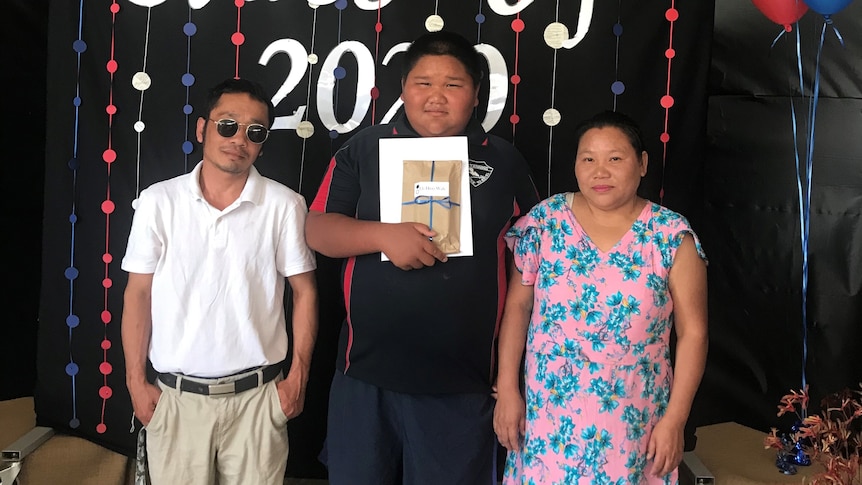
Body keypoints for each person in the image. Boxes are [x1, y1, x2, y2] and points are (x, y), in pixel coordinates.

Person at [305, 30, 539, 485]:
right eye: (422, 83)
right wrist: (383, 236)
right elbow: (317, 229)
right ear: (403, 90)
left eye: (453, 84)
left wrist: (512, 377)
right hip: (365, 375)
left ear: (476, 95)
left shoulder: (505, 162)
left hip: (464, 383)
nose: (437, 96)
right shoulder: (365, 148)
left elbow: (530, 259)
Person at [120, 78, 318, 485]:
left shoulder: (285, 205)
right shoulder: (159, 201)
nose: (238, 139)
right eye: (227, 125)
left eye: (254, 132)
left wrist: (298, 377)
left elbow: (305, 292)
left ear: (263, 142)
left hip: (258, 400)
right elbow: (137, 293)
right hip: (175, 401)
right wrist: (135, 382)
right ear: (202, 129)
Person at [493, 110, 708, 484]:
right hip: (549, 422)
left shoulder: (671, 235)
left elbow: (694, 334)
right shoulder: (546, 222)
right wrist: (509, 388)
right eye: (588, 159)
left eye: (615, 158)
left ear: (642, 164)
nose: (600, 171)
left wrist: (675, 419)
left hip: (635, 423)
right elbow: (518, 306)